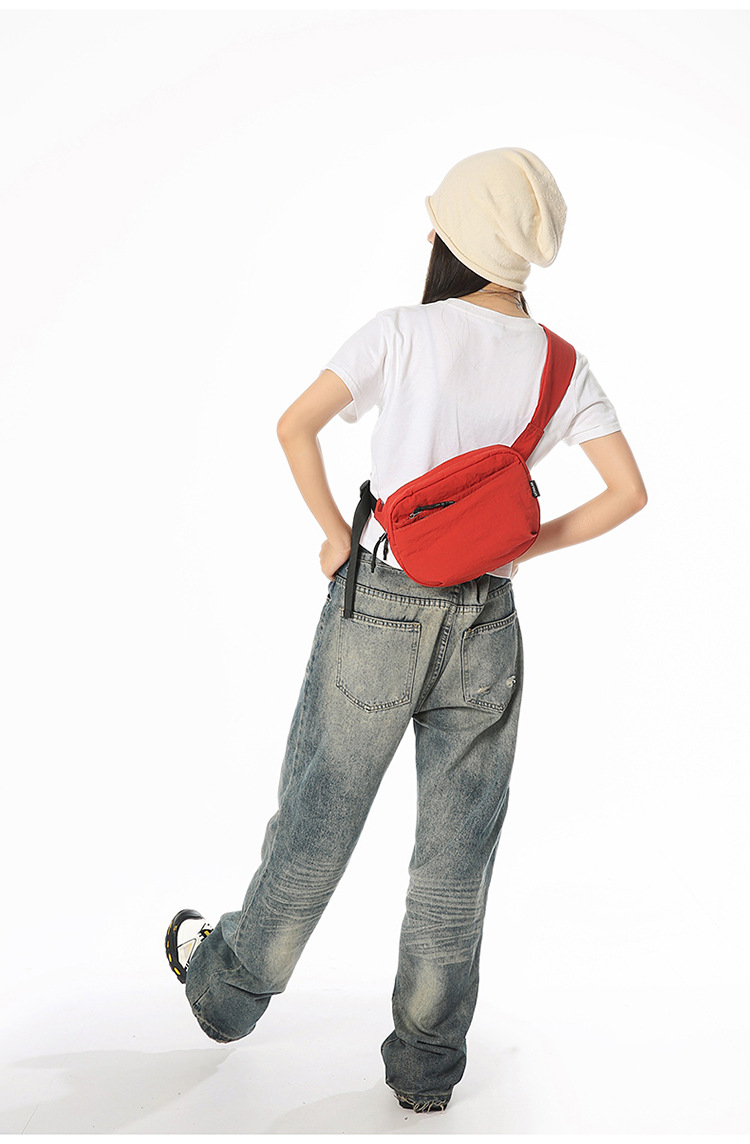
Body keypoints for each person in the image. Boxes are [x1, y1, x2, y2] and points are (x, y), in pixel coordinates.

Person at [164, 147, 648, 1114]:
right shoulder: (563, 367)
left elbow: (294, 426)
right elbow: (628, 492)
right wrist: (519, 546)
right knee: (455, 862)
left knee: (317, 822)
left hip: (380, 604)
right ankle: (426, 1071)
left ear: (453, 238)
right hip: (488, 626)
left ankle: (226, 996)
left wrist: (337, 537)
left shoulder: (401, 332)